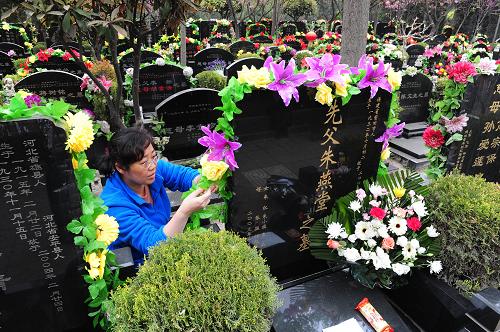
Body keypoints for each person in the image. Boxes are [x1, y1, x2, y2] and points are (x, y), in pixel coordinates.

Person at [100, 127, 212, 265]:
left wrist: (208, 178)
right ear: (121, 167)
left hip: (167, 248)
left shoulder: (154, 169)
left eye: (153, 156)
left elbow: (185, 176)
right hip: (137, 267)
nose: (152, 166)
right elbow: (154, 245)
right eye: (143, 163)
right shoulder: (114, 206)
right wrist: (184, 212)